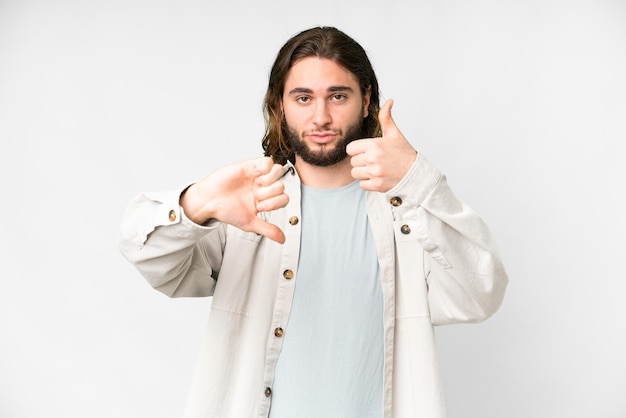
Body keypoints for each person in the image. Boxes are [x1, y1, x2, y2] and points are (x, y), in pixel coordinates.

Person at [119, 26, 508, 418]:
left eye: (337, 96)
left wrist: (419, 181)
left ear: (366, 100)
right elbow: (151, 260)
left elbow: (481, 294)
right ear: (281, 105)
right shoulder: (251, 207)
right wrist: (196, 203)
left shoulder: (405, 212)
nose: (321, 117)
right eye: (303, 98)